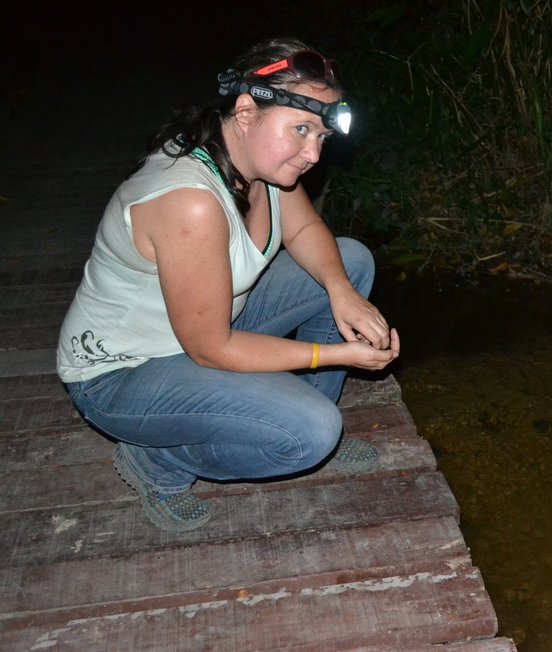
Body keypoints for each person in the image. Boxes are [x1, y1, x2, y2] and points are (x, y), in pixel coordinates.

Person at [56, 37, 400, 532]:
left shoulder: (257, 163)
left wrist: (341, 292)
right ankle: (159, 464)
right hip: (122, 373)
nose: (312, 153)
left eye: (321, 137)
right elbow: (212, 348)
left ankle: (295, 403)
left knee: (349, 262)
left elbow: (302, 229)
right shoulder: (189, 201)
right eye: (301, 129)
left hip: (201, 327)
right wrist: (338, 355)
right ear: (245, 111)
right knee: (310, 435)